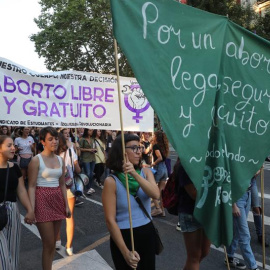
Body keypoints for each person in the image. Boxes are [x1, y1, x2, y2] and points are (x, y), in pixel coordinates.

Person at [102, 134, 159, 270]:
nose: (139, 151)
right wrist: (125, 252)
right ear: (122, 152)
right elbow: (110, 221)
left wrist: (134, 173)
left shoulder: (145, 172)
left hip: (147, 232)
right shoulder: (111, 181)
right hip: (125, 236)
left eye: (139, 147)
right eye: (134, 148)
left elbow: (155, 194)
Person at [28, 127, 71, 270]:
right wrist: (31, 209)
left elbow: (62, 184)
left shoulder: (60, 159)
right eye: (50, 139)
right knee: (48, 243)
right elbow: (32, 186)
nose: (54, 142)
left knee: (53, 244)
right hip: (42, 201)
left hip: (57, 200)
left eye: (56, 139)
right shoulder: (36, 160)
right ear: (42, 142)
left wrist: (66, 205)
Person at [0, 135, 35, 270]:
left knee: (12, 251)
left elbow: (21, 191)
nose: (13, 148)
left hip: (12, 212)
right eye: (9, 145)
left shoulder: (14, 168)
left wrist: (30, 210)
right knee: (2, 258)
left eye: (13, 145)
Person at [176, 159, 211, 270]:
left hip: (207, 213)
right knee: (194, 257)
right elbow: (195, 194)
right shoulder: (186, 164)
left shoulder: (210, 160)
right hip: (190, 213)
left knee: (204, 252)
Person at [225, 177, 260, 270]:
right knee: (244, 235)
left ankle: (229, 257)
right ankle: (253, 267)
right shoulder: (233, 161)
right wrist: (233, 204)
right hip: (237, 198)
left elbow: (252, 176)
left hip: (248, 193)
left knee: (237, 230)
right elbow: (227, 180)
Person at [55, 133, 81, 255]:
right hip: (69, 186)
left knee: (57, 215)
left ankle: (57, 240)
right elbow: (78, 170)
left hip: (55, 187)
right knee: (69, 216)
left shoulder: (52, 153)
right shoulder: (70, 151)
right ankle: (69, 247)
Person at [150, 131, 169, 217]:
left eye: (154, 135)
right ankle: (162, 210)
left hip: (159, 168)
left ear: (156, 137)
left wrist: (153, 164)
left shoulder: (155, 146)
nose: (153, 136)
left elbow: (160, 158)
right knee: (160, 191)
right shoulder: (164, 146)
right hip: (165, 169)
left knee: (152, 189)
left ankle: (157, 209)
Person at [251, 169, 269, 247]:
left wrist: (257, 172)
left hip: (251, 182)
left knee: (256, 208)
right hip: (239, 182)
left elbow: (260, 164)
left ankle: (260, 235)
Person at [79, 129, 97, 195]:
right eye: (90, 130)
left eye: (92, 130)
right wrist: (89, 150)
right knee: (88, 173)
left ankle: (90, 187)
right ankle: (87, 188)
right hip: (85, 158)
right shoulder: (82, 139)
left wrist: (95, 150)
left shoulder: (92, 139)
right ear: (86, 131)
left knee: (91, 173)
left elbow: (94, 146)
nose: (91, 132)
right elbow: (80, 148)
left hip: (92, 158)